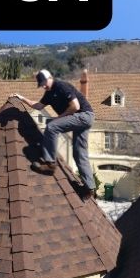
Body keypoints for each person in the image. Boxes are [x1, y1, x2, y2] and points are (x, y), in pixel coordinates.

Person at [15, 69, 96, 200]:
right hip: (82, 119)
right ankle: (89, 188)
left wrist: (59, 118)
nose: (43, 86)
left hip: (84, 115)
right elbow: (38, 106)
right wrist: (22, 98)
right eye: (41, 84)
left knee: (52, 126)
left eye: (44, 83)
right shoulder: (48, 94)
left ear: (50, 78)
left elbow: (75, 106)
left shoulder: (61, 86)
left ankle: (50, 164)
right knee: (78, 153)